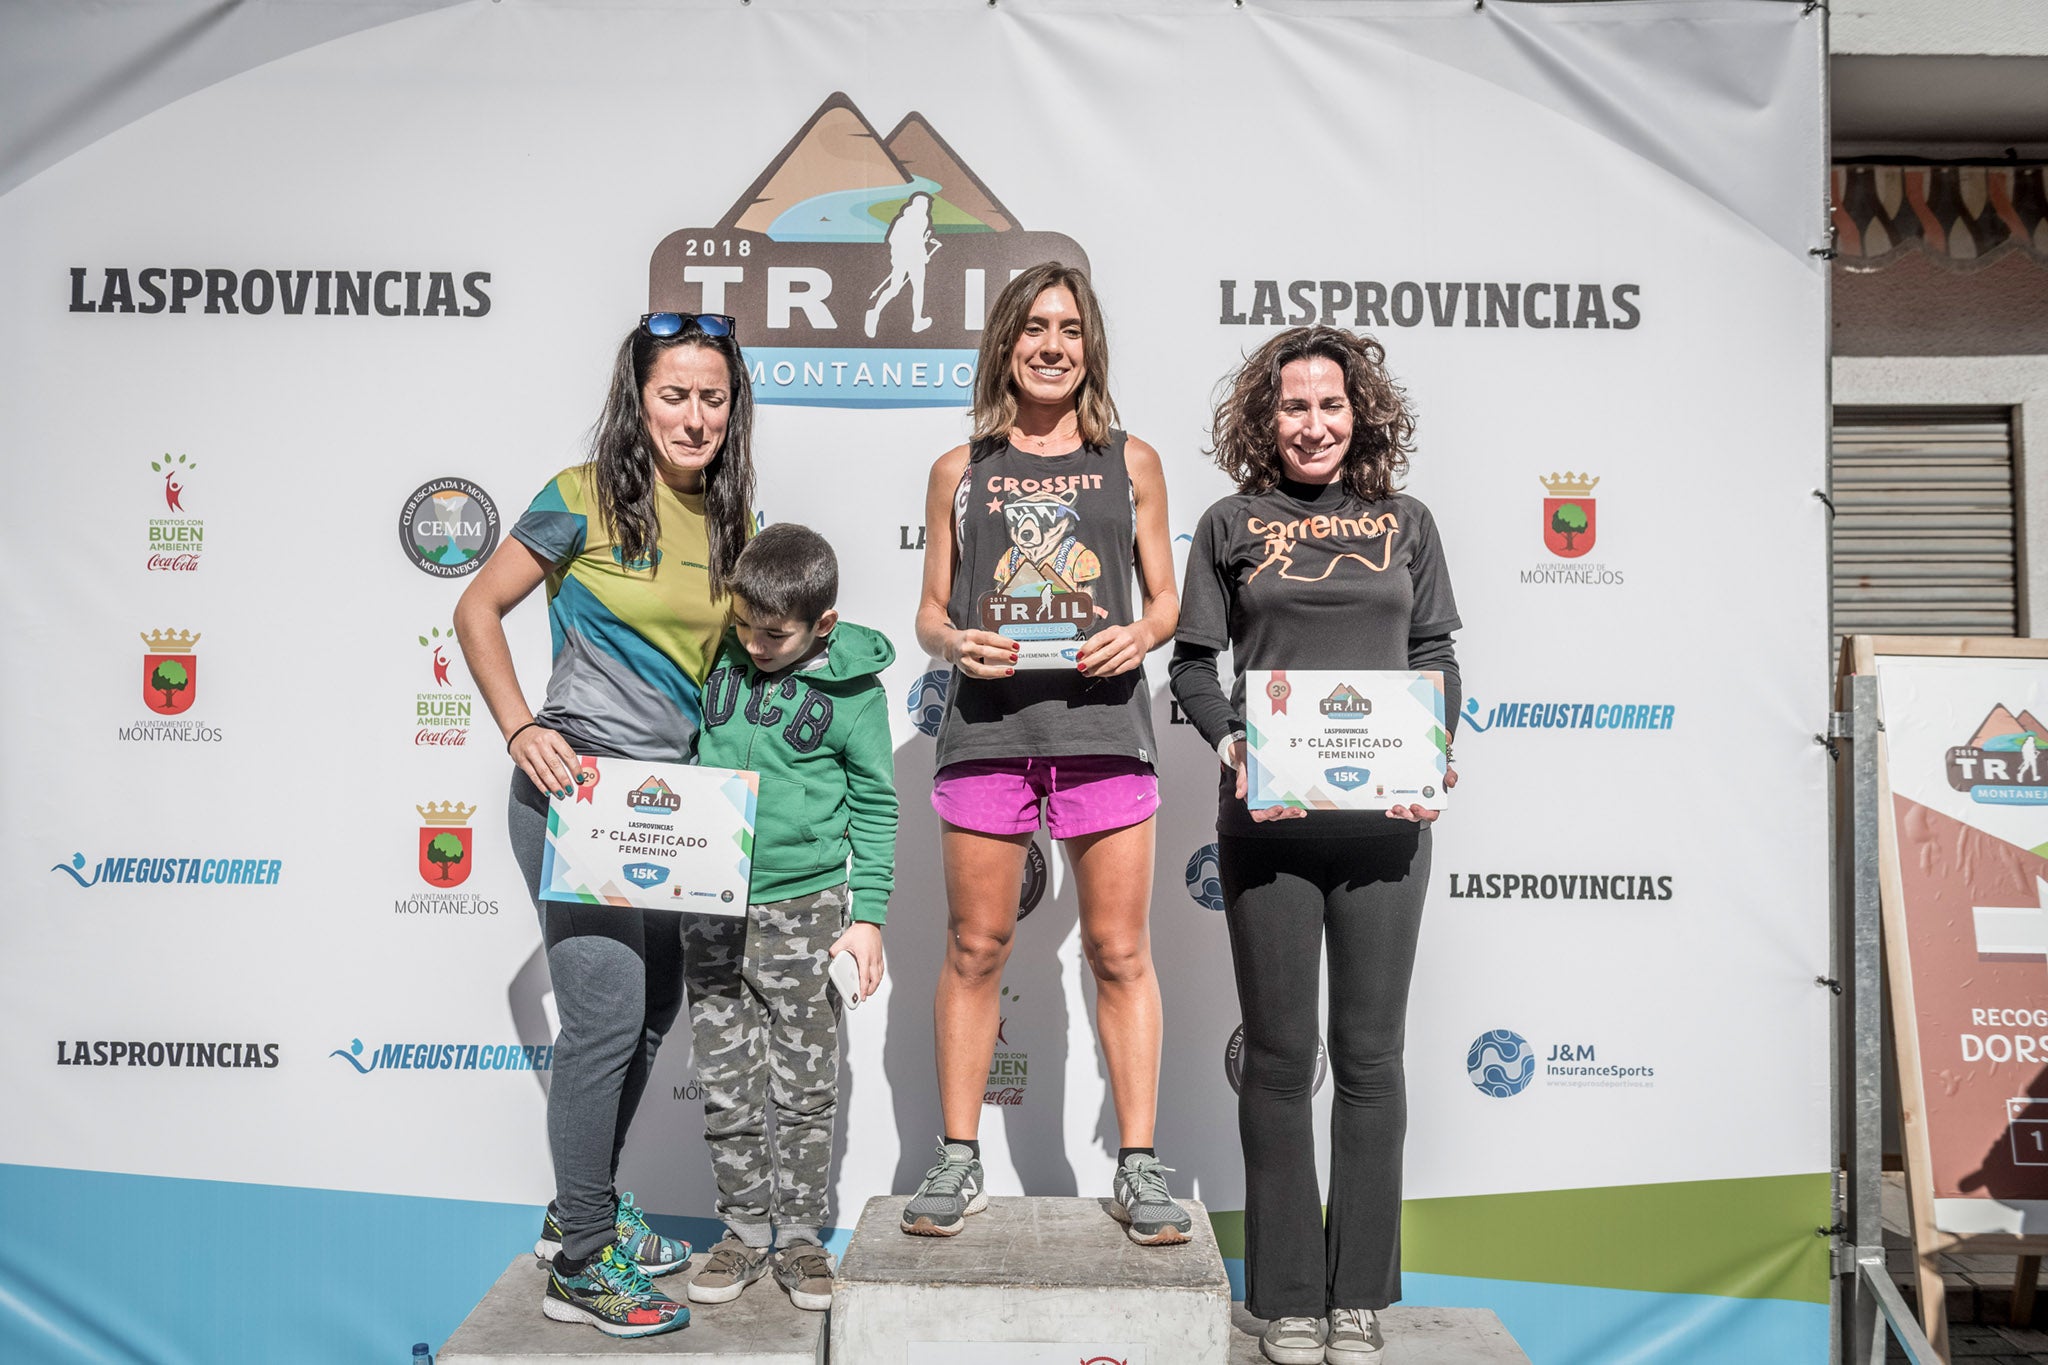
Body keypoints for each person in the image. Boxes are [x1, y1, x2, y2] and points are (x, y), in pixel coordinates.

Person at [454, 311, 754, 1340]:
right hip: (578, 793)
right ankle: (582, 1262)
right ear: (639, 399)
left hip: (669, 814)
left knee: (656, 1003)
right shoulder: (578, 497)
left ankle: (578, 1210)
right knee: (606, 1016)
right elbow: (476, 610)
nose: (694, 415)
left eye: (712, 396)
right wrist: (518, 728)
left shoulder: (731, 519)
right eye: (674, 393)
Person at [1168, 325, 1461, 1365]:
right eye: (1292, 406)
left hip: (1386, 830)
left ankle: (1357, 1297)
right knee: (1284, 1059)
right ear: (1264, 418)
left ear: (1359, 412)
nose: (1312, 424)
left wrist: (1432, 754)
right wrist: (1230, 743)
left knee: (1372, 1059)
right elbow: (1193, 668)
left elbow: (1430, 650)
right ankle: (1287, 1295)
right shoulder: (1226, 524)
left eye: (1329, 404)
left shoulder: (1405, 522)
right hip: (1269, 826)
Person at [904, 262, 1189, 1245]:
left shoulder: (1133, 462)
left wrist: (1142, 637)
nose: (1051, 345)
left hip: (1103, 728)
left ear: (1091, 344)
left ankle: (1138, 1165)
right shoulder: (959, 468)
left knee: (1117, 951)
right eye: (1033, 327)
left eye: (1069, 328)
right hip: (986, 731)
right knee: (975, 945)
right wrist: (953, 644)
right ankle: (955, 1154)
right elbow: (930, 613)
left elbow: (1165, 599)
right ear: (1004, 343)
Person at [681, 522, 898, 1312]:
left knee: (805, 1086)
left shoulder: (856, 694)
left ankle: (801, 1236)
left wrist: (866, 914)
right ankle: (741, 1230)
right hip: (707, 904)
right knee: (725, 1083)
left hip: (807, 909)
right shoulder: (717, 655)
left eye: (772, 634)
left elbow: (876, 805)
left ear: (823, 625)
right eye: (742, 626)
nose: (753, 643)